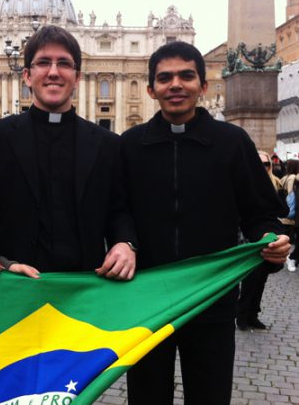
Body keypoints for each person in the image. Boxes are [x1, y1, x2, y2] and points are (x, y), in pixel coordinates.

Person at [120, 41, 290, 405]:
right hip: (147, 299)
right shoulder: (130, 145)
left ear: (203, 86)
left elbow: (259, 211)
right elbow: (117, 211)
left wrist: (270, 238)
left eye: (186, 76)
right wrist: (124, 241)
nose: (175, 85)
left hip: (212, 297)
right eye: (165, 78)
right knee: (147, 397)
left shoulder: (232, 142)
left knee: (210, 395)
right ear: (151, 89)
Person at [0, 25, 137, 280]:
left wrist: (125, 243)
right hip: (13, 282)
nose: (53, 72)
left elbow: (119, 211)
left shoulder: (108, 144)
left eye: (64, 64)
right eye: (44, 62)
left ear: (77, 77)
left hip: (86, 284)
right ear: (26, 76)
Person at [236, 150, 285, 331]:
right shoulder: (245, 183)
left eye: (266, 164)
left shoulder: (276, 183)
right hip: (248, 239)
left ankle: (253, 314)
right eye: (260, 163)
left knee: (261, 279)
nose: (263, 167)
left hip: (268, 237)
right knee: (250, 278)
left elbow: (283, 209)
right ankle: (242, 315)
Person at [280, 159, 299, 272]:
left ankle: (294, 259)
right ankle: (291, 258)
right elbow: (292, 194)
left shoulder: (284, 177)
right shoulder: (292, 178)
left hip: (286, 211)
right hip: (293, 212)